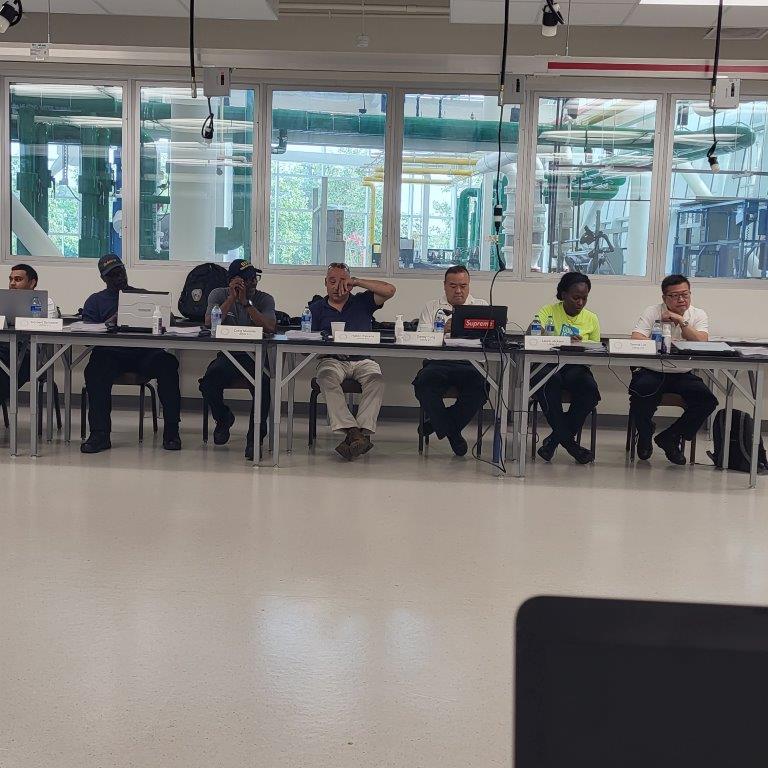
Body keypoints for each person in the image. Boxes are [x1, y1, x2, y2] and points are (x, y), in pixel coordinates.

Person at [80, 254, 182, 454]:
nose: (118, 278)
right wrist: (113, 320)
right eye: (112, 275)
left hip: (144, 353)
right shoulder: (95, 301)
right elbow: (87, 335)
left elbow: (168, 323)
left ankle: (172, 431)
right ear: (103, 279)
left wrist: (166, 315)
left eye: (121, 272)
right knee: (95, 369)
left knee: (168, 364)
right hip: (111, 354)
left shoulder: (144, 296)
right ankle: (100, 434)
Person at [309, 262, 396, 461]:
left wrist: (356, 282)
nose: (337, 286)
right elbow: (307, 345)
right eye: (332, 281)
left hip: (363, 359)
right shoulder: (315, 309)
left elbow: (390, 290)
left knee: (377, 380)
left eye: (343, 281)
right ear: (325, 283)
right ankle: (353, 432)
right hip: (332, 360)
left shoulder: (362, 301)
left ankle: (358, 433)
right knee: (326, 378)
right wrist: (327, 349)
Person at [629, 274, 717, 465]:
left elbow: (702, 341)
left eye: (685, 294)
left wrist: (681, 321)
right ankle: (645, 434)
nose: (681, 299)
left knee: (707, 401)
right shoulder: (652, 311)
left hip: (682, 373)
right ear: (664, 298)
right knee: (640, 392)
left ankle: (671, 437)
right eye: (675, 296)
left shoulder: (698, 314)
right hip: (652, 371)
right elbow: (636, 338)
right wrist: (659, 339)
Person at [198, 259, 276, 461]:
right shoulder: (218, 294)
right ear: (233, 281)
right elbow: (209, 323)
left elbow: (270, 327)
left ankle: (255, 439)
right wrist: (231, 299)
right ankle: (223, 418)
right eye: (248, 279)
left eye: (255, 278)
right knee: (208, 383)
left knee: (263, 384)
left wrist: (246, 304)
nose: (254, 282)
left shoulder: (264, 299)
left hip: (255, 356)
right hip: (229, 355)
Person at [413, 265, 488, 456]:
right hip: (438, 362)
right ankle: (453, 433)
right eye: (453, 286)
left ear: (469, 285)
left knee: (482, 388)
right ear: (445, 286)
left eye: (463, 286)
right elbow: (421, 339)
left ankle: (437, 424)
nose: (458, 291)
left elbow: (489, 339)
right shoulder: (431, 307)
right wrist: (442, 330)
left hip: (470, 364)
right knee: (423, 384)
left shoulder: (481, 306)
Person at [532, 272, 601, 465]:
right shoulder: (548, 311)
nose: (580, 303)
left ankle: (553, 441)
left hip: (576, 367)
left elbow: (596, 350)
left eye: (584, 298)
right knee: (548, 385)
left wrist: (581, 345)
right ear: (563, 295)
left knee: (590, 391)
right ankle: (571, 446)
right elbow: (533, 333)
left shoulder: (591, 318)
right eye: (576, 297)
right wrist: (561, 340)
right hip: (548, 365)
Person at [1, 264, 56, 404]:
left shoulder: (45, 302)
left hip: (29, 353)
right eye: (11, 279)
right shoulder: (2, 301)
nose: (12, 283)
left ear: (32, 283)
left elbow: (48, 328)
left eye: (18, 279)